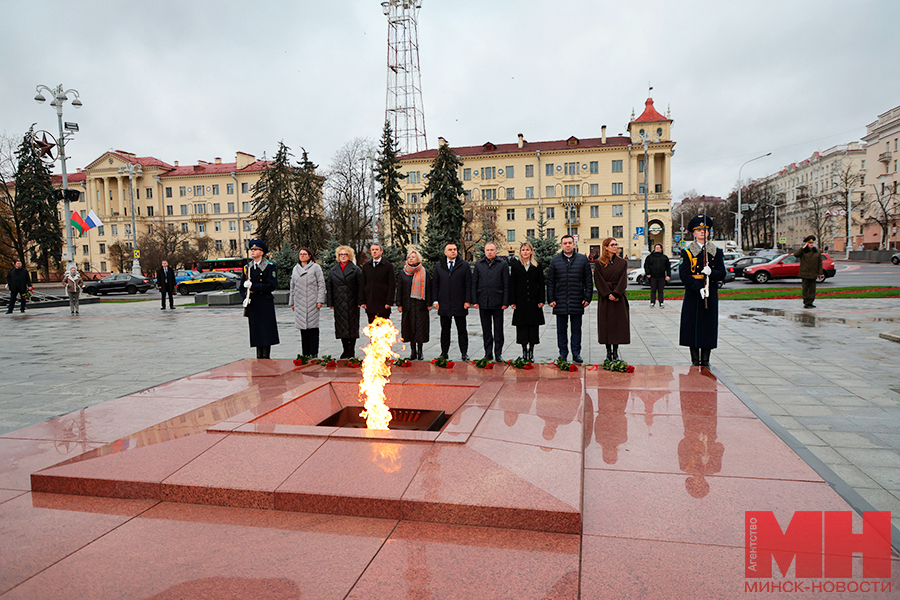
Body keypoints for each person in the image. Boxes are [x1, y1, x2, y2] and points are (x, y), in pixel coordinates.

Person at [679, 215, 726, 368]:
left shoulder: (716, 251)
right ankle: (695, 360)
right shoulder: (687, 252)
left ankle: (705, 360)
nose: (702, 233)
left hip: (710, 292)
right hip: (694, 293)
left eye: (705, 230)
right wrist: (698, 287)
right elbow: (684, 275)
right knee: (692, 325)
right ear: (693, 233)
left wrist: (711, 272)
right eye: (699, 230)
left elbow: (722, 273)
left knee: (708, 326)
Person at [546, 234, 593, 363]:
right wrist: (550, 298)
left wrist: (588, 298)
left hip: (577, 300)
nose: (567, 245)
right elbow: (550, 281)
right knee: (561, 330)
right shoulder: (555, 261)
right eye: (565, 243)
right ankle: (563, 353)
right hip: (560, 301)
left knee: (576, 329)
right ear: (561, 245)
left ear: (574, 244)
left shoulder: (582, 260)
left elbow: (588, 281)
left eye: (570, 243)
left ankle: (576, 353)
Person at [239, 239, 280, 359]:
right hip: (253, 302)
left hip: (264, 301)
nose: (253, 251)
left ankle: (266, 357)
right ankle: (259, 356)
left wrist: (254, 286)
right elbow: (242, 286)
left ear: (262, 252)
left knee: (266, 331)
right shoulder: (248, 268)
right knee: (256, 330)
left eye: (256, 249)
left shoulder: (269, 267)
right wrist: (245, 297)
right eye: (252, 249)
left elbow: (271, 285)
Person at [432, 242, 472, 361]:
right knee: (445, 330)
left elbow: (468, 284)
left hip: (460, 303)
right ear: (445, 252)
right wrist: (435, 300)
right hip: (444, 303)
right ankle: (444, 353)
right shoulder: (439, 266)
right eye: (450, 249)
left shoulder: (464, 265)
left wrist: (467, 301)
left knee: (462, 330)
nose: (453, 251)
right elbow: (435, 284)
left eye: (455, 249)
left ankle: (464, 353)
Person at [593, 238, 630, 361]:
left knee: (618, 325)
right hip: (605, 298)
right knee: (606, 324)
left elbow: (623, 280)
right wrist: (608, 294)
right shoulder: (599, 263)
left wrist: (616, 294)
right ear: (606, 247)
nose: (615, 247)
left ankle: (616, 351)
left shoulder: (622, 262)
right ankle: (608, 352)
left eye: (616, 244)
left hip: (618, 298)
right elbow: (598, 280)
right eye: (612, 245)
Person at [472, 242, 509, 362]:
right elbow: (474, 283)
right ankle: (488, 353)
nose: (490, 252)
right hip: (483, 301)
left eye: (492, 250)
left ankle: (498, 353)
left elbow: (506, 284)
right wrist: (475, 301)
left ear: (496, 251)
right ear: (484, 251)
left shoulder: (502, 264)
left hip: (498, 302)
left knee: (498, 330)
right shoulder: (479, 264)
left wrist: (505, 301)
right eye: (487, 250)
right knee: (486, 329)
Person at [508, 241, 545, 361]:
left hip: (534, 301)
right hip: (521, 301)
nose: (525, 252)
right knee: (522, 328)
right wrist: (512, 301)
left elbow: (541, 283)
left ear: (531, 251)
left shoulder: (537, 266)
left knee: (533, 327)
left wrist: (541, 300)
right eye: (523, 250)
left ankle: (531, 352)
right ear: (520, 252)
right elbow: (512, 284)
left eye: (527, 250)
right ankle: (524, 351)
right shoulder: (516, 266)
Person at [289, 247, 326, 357]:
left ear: (310, 256)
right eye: (301, 254)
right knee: (303, 329)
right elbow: (292, 286)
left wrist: (320, 300)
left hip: (312, 302)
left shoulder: (315, 267)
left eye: (305, 254)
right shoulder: (295, 269)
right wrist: (292, 302)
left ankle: (314, 353)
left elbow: (321, 284)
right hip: (299, 302)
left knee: (313, 328)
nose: (302, 256)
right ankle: (305, 353)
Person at [327, 245, 362, 359]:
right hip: (339, 303)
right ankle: (345, 350)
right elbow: (330, 286)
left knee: (352, 327)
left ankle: (351, 351)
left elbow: (360, 287)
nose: (343, 256)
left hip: (351, 302)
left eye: (345, 254)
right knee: (341, 327)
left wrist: (360, 300)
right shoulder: (333, 270)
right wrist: (330, 302)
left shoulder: (355, 270)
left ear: (349, 256)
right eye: (341, 254)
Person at [396, 249, 431, 360]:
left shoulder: (424, 272)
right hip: (408, 306)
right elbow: (399, 289)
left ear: (418, 259)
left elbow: (429, 289)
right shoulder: (403, 272)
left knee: (420, 329)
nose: (410, 259)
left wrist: (429, 303)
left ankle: (420, 352)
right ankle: (412, 352)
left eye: (413, 257)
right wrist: (399, 304)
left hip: (420, 306)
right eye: (409, 257)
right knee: (410, 328)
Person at [358, 243, 395, 324]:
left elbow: (391, 285)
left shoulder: (388, 266)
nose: (374, 252)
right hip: (370, 303)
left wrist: (389, 301)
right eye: (373, 250)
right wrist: (362, 301)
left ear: (381, 251)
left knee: (384, 329)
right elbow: (363, 284)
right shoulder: (366, 266)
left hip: (383, 303)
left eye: (377, 249)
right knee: (372, 329)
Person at [795, 235, 824, 309]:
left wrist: (820, 273)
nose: (811, 244)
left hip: (813, 273)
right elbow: (796, 254)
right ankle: (806, 302)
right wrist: (803, 248)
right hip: (805, 273)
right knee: (805, 289)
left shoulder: (817, 252)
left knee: (812, 289)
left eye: (812, 243)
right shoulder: (803, 252)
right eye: (810, 243)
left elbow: (820, 263)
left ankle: (811, 302)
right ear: (807, 244)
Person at [643, 243, 671, 307]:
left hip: (661, 276)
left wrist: (668, 275)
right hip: (653, 276)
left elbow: (668, 267)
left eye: (658, 248)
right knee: (653, 289)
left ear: (661, 249)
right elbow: (646, 265)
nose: (657, 249)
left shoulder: (664, 257)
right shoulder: (650, 257)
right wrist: (648, 273)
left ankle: (661, 302)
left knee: (661, 290)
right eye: (656, 248)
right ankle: (652, 302)